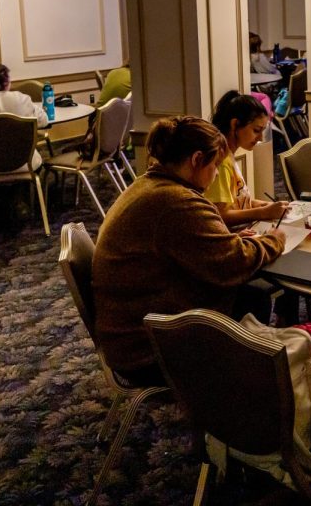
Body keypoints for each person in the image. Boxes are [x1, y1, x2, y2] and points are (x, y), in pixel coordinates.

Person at [92, 116, 285, 385]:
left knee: (251, 292)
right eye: (215, 165)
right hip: (148, 350)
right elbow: (235, 262)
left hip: (128, 331)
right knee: (255, 293)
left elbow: (193, 247)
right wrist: (274, 239)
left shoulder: (149, 185)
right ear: (196, 160)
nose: (216, 173)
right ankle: (243, 388)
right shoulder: (177, 202)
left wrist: (227, 239)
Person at [208, 90, 289, 228]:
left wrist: (261, 205)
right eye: (256, 130)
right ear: (235, 125)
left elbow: (236, 202)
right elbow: (220, 215)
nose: (261, 138)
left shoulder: (229, 157)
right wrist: (263, 212)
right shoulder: (221, 163)